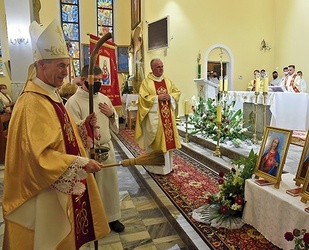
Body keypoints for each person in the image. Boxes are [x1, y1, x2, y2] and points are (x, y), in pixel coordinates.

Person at [2, 19, 109, 249]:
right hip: (43, 190)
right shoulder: (32, 102)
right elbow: (38, 156)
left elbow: (62, 133)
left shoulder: (50, 94)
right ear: (42, 65)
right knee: (48, 238)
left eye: (67, 65)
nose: (66, 72)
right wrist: (79, 162)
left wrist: (82, 127)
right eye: (61, 65)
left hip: (58, 184)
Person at [66, 64, 125, 233]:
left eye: (101, 80)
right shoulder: (73, 102)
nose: (99, 83)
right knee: (92, 188)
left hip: (106, 148)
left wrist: (111, 115)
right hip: (87, 151)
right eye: (95, 80)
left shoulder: (104, 99)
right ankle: (93, 221)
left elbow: (115, 126)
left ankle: (112, 217)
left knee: (109, 185)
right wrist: (86, 125)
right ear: (83, 80)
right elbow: (71, 130)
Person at [135, 58, 181, 175]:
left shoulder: (168, 81)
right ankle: (156, 168)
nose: (161, 69)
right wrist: (157, 98)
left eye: (162, 66)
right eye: (158, 67)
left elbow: (177, 92)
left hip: (168, 119)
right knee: (158, 143)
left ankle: (168, 167)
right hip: (155, 119)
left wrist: (170, 97)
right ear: (152, 68)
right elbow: (143, 98)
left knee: (168, 142)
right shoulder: (146, 82)